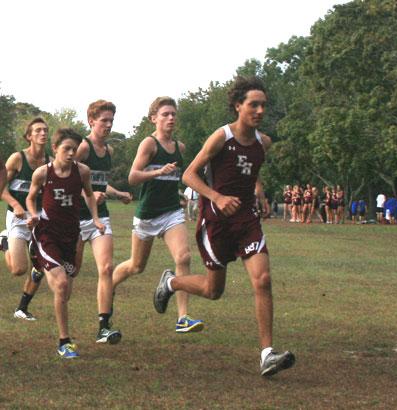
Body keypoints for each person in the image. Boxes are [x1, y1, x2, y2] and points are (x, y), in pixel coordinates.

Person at [153, 77, 295, 377]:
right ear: (238, 105)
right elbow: (189, 176)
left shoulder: (263, 143)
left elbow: (251, 167)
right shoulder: (222, 137)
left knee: (263, 279)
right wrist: (216, 197)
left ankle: (267, 353)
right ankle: (171, 283)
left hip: (246, 221)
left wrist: (258, 189)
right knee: (213, 290)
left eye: (263, 105)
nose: (259, 110)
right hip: (215, 223)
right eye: (253, 105)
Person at [112, 96, 203, 333]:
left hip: (171, 212)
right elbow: (132, 177)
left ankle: (183, 318)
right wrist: (157, 172)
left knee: (183, 258)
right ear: (154, 119)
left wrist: (179, 194)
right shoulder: (149, 144)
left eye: (173, 114)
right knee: (136, 266)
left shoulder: (180, 148)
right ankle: (107, 286)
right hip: (147, 215)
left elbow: (172, 178)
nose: (171, 118)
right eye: (165, 114)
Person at [26, 128, 105, 358]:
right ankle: (64, 341)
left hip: (72, 235)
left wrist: (96, 218)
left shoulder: (82, 172)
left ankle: (41, 267)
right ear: (55, 149)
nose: (71, 153)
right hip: (47, 233)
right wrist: (33, 215)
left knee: (66, 291)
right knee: (60, 284)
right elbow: (31, 197)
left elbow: (89, 195)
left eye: (74, 149)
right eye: (66, 149)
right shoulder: (43, 173)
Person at [74, 100, 131, 344]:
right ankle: (39, 262)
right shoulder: (82, 148)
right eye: (104, 120)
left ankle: (103, 327)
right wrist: (88, 196)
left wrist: (117, 193)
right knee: (71, 271)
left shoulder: (109, 151)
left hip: (100, 216)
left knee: (106, 268)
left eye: (111, 121)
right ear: (91, 121)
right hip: (75, 217)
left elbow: (99, 183)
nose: (108, 125)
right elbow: (64, 180)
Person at [0, 118, 50, 320]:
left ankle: (22, 308)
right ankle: (4, 242)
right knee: (19, 270)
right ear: (29, 136)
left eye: (46, 130)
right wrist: (16, 204)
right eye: (38, 130)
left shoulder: (50, 161)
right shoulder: (17, 159)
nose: (43, 133)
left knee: (42, 265)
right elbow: (1, 188)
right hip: (18, 216)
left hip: (39, 217)